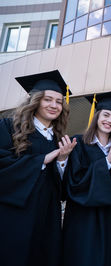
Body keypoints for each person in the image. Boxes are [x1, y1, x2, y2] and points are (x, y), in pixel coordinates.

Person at [0, 70, 75, 266]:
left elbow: (64, 186)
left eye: (59, 101)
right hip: (15, 214)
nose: (54, 105)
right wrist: (41, 160)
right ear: (35, 101)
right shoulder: (9, 127)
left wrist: (62, 160)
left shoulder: (60, 139)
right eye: (48, 99)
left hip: (47, 216)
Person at [62, 90, 111, 266]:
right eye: (106, 115)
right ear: (97, 116)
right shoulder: (78, 143)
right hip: (84, 218)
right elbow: (75, 182)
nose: (110, 121)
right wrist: (108, 159)